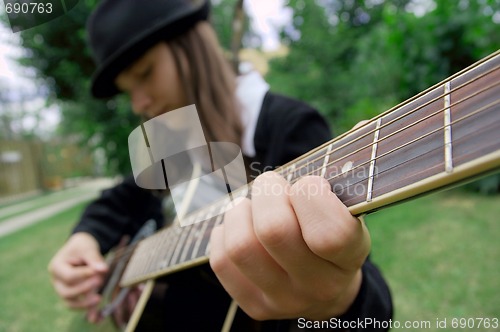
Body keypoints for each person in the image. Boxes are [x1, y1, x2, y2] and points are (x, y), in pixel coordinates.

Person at [48, 0, 393, 330]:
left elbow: (369, 307)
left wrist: (340, 300)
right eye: (128, 91)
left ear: (191, 49)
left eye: (145, 73)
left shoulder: (288, 125)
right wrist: (85, 237)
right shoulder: (167, 142)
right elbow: (123, 198)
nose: (140, 103)